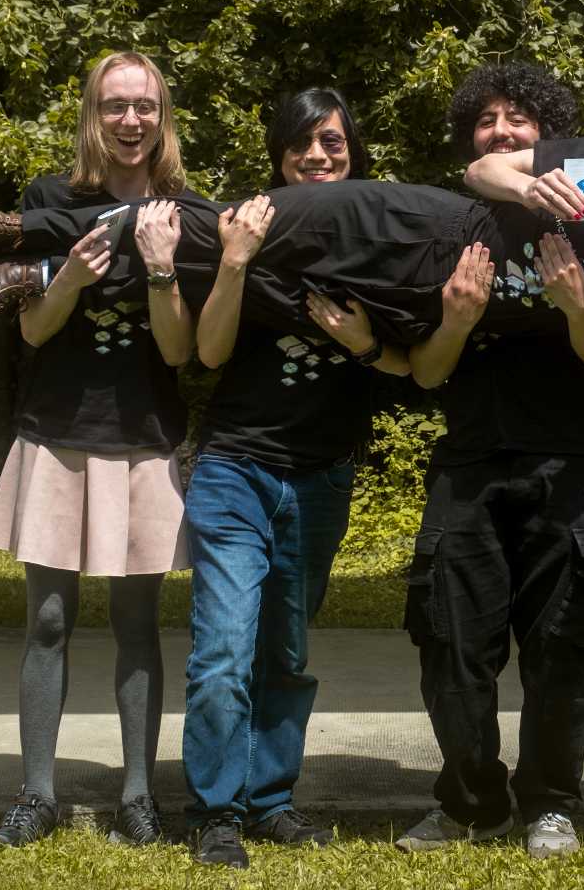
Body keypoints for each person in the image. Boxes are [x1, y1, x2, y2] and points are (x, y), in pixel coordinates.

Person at [392, 64, 584, 859]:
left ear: (549, 135)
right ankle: (472, 802)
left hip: (575, 460)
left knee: (560, 646)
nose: (501, 130)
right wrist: (456, 322)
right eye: (486, 120)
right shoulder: (451, 229)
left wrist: (575, 306)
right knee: (450, 643)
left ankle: (550, 806)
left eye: (518, 118)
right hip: (471, 459)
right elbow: (426, 372)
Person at [182, 88, 413, 869]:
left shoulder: (381, 237)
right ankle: (217, 812)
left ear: (354, 152)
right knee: (223, 650)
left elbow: (412, 365)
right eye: (301, 144)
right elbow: (208, 352)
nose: (317, 155)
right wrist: (235, 262)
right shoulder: (246, 227)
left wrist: (362, 341)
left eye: (332, 142)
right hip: (235, 469)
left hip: (321, 478)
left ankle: (271, 801)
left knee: (284, 650)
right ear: (279, 157)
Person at [0, 51, 200, 851]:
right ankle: (36, 795)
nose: (130, 120)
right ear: (92, 115)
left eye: (144, 106)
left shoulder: (185, 214)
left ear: (161, 117)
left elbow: (178, 353)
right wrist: (68, 279)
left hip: (143, 438)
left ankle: (138, 797)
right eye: (115, 105)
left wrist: (164, 270)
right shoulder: (49, 201)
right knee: (47, 620)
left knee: (137, 623)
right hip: (57, 434)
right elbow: (34, 331)